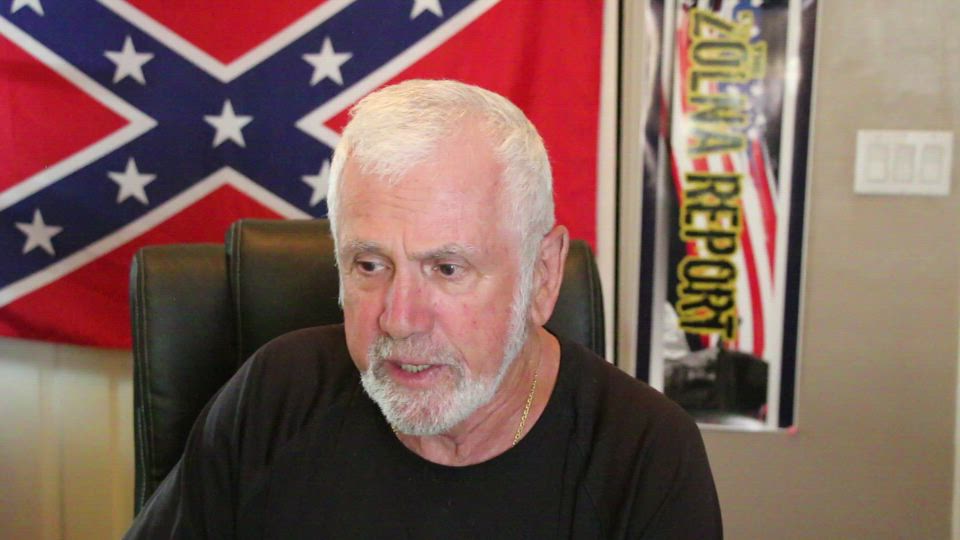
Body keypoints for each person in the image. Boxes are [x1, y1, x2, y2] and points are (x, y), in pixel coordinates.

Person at [125, 79, 722, 539]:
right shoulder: (275, 395)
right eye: (369, 265)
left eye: (447, 269)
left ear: (542, 276)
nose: (400, 318)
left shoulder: (645, 454)